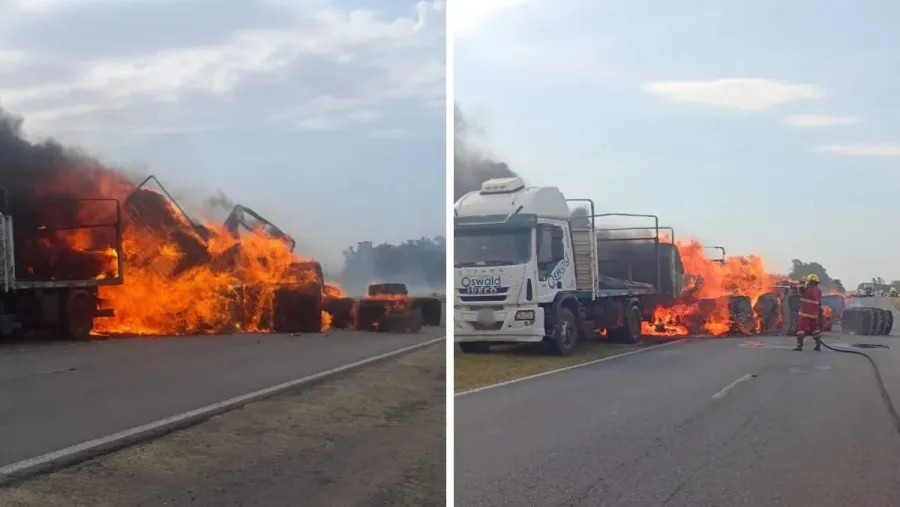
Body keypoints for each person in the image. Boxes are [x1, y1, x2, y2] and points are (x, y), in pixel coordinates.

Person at [795, 274, 823, 351]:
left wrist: (802, 282)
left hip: (805, 313)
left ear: (810, 281)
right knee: (815, 330)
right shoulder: (819, 291)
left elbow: (800, 293)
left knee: (801, 329)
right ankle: (818, 346)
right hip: (814, 314)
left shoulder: (807, 289)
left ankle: (799, 346)